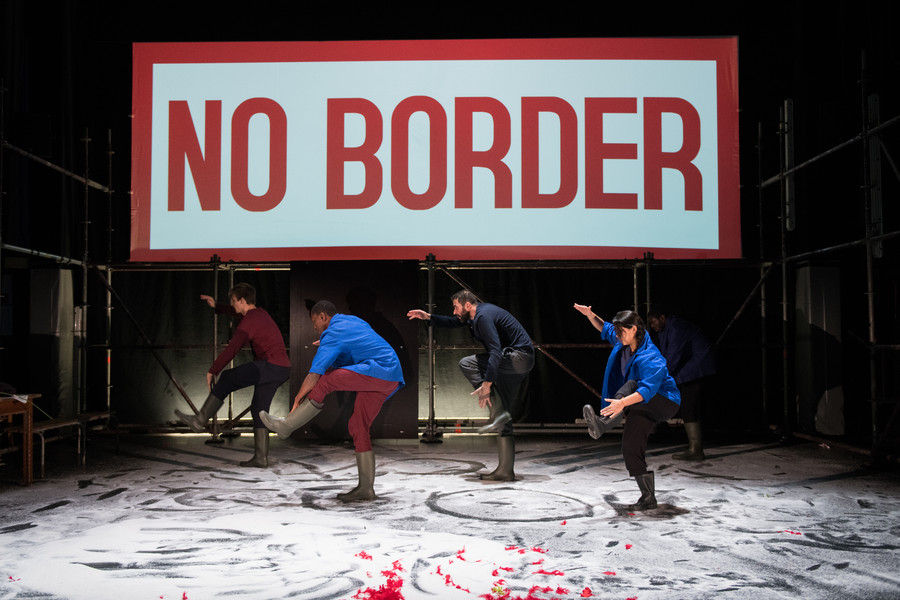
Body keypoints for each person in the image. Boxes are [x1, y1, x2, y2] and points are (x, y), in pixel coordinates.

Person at [260, 300, 404, 502]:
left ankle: (287, 426)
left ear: (323, 316)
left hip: (379, 370)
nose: (315, 328)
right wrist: (328, 343)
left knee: (327, 379)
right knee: (357, 425)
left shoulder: (333, 332)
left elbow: (314, 374)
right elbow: (355, 351)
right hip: (388, 376)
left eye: (315, 323)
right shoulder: (351, 321)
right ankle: (366, 489)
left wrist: (298, 398)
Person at [407, 290, 534, 482]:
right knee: (503, 417)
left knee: (467, 363)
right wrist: (428, 317)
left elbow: (495, 352)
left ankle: (494, 404)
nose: (454, 311)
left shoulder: (483, 317)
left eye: (456, 307)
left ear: (467, 305)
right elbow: (453, 322)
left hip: (517, 358)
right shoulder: (474, 315)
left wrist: (486, 385)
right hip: (517, 362)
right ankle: (506, 470)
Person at [574, 304, 680, 511]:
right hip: (642, 406)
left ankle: (604, 424)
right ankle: (648, 497)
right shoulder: (623, 340)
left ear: (634, 329)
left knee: (632, 384)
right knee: (630, 447)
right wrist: (590, 314)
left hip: (664, 401)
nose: (617, 335)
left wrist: (622, 403)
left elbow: (647, 390)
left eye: (621, 331)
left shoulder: (651, 356)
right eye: (617, 331)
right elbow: (604, 327)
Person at [175, 283, 290, 468]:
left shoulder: (249, 322)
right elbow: (237, 313)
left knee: (227, 378)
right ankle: (261, 458)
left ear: (242, 301)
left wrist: (213, 370)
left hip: (269, 366)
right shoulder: (259, 313)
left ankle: (199, 420)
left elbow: (232, 349)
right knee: (259, 409)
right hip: (281, 369)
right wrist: (217, 306)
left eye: (234, 301)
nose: (232, 304)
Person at [648, 308, 717, 461]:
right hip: (689, 370)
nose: (652, 326)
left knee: (689, 407)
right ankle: (695, 448)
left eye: (653, 321)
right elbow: (665, 357)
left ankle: (696, 450)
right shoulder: (665, 331)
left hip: (699, 368)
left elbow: (672, 358)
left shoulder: (676, 328)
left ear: (662, 317)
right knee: (689, 407)